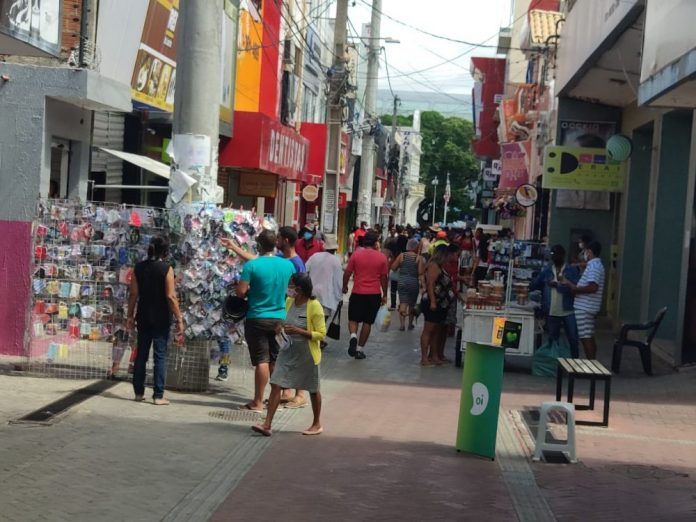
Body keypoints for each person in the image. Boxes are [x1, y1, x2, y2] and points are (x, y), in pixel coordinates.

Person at [252, 273, 326, 437]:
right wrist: (280, 327)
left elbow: (321, 334)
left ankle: (316, 423)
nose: (289, 290)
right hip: (287, 352)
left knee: (313, 389)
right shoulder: (289, 302)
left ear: (300, 289)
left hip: (307, 354)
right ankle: (267, 424)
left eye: (292, 286)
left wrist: (301, 331)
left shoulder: (314, 306)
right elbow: (283, 321)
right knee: (276, 383)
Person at [235, 230, 296, 411]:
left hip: (257, 317)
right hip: (279, 318)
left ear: (259, 245)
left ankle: (258, 401)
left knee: (261, 360)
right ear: (275, 244)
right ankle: (276, 397)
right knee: (274, 359)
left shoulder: (252, 265)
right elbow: (292, 291)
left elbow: (240, 292)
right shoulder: (288, 265)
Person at [127, 237, 184, 405]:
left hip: (143, 316)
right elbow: (171, 296)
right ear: (165, 252)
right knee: (160, 356)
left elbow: (133, 294)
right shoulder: (167, 269)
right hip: (161, 318)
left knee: (141, 355)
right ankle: (158, 395)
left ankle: (138, 392)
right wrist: (179, 318)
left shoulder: (138, 268)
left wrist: (130, 315)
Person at [343, 231, 388, 359]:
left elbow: (347, 273)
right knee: (367, 322)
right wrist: (385, 294)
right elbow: (384, 278)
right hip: (374, 294)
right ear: (375, 243)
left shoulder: (356, 255)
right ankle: (360, 349)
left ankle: (353, 336)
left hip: (357, 292)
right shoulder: (381, 257)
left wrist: (344, 285)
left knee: (353, 319)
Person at [529, 245, 581, 358]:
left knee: (573, 338)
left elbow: (575, 288)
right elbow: (535, 284)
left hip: (568, 310)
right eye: (553, 255)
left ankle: (575, 363)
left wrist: (558, 286)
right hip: (552, 310)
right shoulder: (547, 270)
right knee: (552, 340)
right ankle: (554, 365)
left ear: (563, 255)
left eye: (557, 255)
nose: (555, 258)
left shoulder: (571, 270)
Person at [562, 241, 605, 360]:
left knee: (585, 336)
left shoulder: (594, 267)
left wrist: (574, 287)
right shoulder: (594, 265)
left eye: (585, 252)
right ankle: (592, 362)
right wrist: (577, 265)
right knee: (588, 335)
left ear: (589, 252)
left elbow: (593, 287)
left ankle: (591, 364)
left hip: (585, 307)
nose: (584, 254)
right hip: (586, 306)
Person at [420, 244, 455, 366]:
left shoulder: (440, 266)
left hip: (441, 304)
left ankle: (434, 356)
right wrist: (433, 301)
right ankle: (424, 358)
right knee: (428, 331)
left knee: (435, 332)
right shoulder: (434, 266)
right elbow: (430, 284)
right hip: (432, 303)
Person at [306, 234, 344, 329]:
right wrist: (339, 297)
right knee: (321, 324)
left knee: (310, 321)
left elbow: (305, 271)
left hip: (311, 294)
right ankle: (318, 340)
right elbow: (338, 282)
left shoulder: (314, 256)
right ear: (335, 249)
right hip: (326, 297)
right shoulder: (336, 261)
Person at [390, 238, 424, 331]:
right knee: (412, 305)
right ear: (416, 247)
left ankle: (402, 325)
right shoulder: (418, 258)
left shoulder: (402, 256)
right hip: (413, 283)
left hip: (402, 282)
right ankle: (410, 324)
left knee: (403, 303)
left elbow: (393, 268)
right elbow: (421, 273)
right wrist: (424, 286)